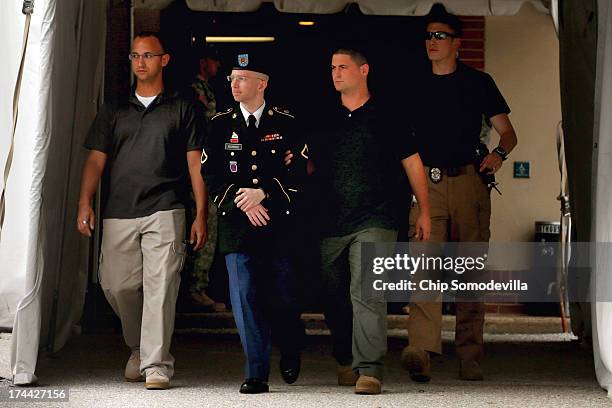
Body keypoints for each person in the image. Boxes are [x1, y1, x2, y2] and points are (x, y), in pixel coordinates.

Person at [76, 31, 206, 390]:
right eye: (134, 56)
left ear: (164, 60)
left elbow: (196, 165)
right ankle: (138, 347)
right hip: (119, 210)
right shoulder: (114, 108)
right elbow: (95, 160)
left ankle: (156, 364)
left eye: (147, 56)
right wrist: (84, 201)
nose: (139, 63)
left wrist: (200, 214)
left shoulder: (183, 107)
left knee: (161, 286)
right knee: (117, 286)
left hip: (167, 208)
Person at [401, 6, 518, 383]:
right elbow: (401, 139)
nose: (431, 42)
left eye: (439, 36)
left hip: (469, 181)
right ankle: (421, 350)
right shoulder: (413, 83)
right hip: (427, 185)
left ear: (457, 43)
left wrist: (498, 155)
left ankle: (470, 355)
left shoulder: (479, 82)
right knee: (423, 269)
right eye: (428, 36)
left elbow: (508, 133)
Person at [306, 47, 431, 395]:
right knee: (333, 294)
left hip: (377, 216)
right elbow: (310, 165)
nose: (336, 73)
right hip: (330, 220)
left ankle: (370, 369)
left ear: (364, 70)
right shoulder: (324, 116)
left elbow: (412, 163)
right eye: (332, 67)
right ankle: (346, 358)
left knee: (367, 292)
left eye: (343, 67)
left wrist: (423, 210)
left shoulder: (388, 113)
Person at [201, 51, 308, 394]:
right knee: (244, 295)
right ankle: (256, 371)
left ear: (262, 84)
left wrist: (264, 194)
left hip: (278, 225)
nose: (234, 84)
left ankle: (291, 341)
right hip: (237, 225)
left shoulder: (286, 122)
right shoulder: (219, 124)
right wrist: (240, 199)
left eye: (242, 78)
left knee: (283, 295)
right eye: (232, 78)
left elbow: (298, 174)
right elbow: (210, 173)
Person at [188, 47, 225, 312]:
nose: (218, 66)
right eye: (214, 60)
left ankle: (196, 288)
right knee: (204, 228)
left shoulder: (207, 88)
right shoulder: (195, 90)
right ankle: (194, 289)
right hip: (197, 165)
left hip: (207, 164)